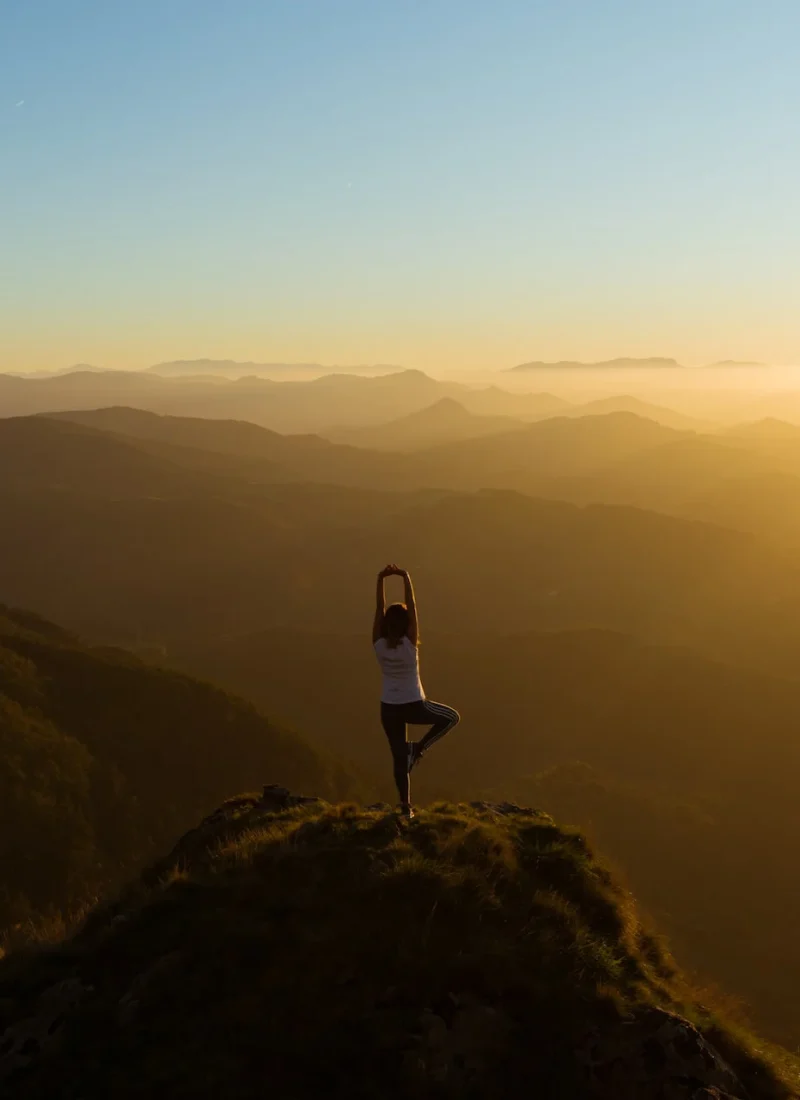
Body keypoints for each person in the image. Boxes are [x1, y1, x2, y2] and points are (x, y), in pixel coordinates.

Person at [373, 564, 460, 818]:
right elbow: (412, 606)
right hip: (413, 704)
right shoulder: (411, 645)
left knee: (398, 757)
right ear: (407, 624)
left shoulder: (378, 644)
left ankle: (405, 807)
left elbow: (379, 609)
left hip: (388, 708)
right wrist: (405, 577)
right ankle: (419, 749)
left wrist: (380, 579)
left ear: (386, 624)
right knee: (452, 717)